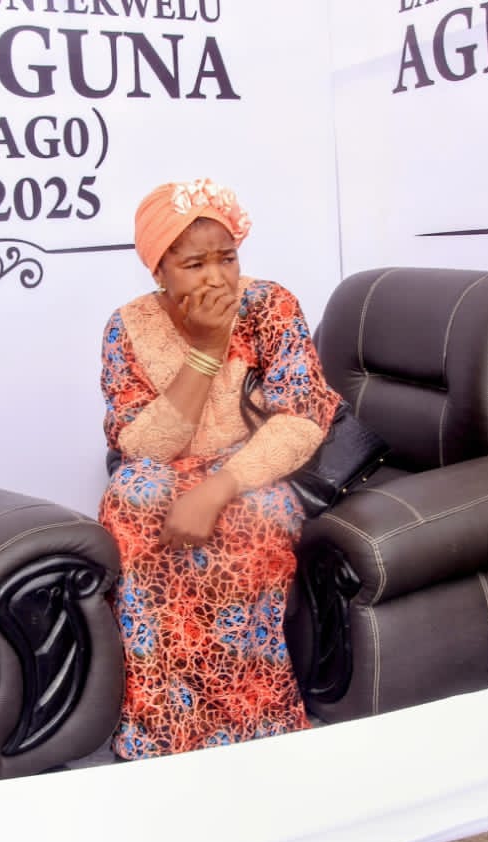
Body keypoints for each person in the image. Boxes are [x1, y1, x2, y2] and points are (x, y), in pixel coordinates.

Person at [98, 178, 340, 760]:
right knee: (131, 501)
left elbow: (302, 417)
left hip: (253, 469)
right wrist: (206, 351)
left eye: (226, 258)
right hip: (168, 468)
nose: (216, 278)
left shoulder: (271, 306)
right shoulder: (127, 327)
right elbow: (143, 445)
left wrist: (216, 489)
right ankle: (162, 735)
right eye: (193, 264)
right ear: (159, 270)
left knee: (252, 518)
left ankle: (257, 727)